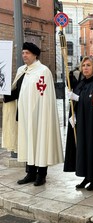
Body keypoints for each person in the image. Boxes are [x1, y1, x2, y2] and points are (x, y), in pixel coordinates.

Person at [2, 42, 63, 186]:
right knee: (27, 143)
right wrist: (5, 94)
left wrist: (41, 114)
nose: (24, 56)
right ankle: (30, 173)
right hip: (24, 116)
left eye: (27, 53)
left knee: (40, 143)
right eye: (23, 53)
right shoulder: (22, 71)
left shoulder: (43, 71)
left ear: (35, 55)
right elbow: (17, 91)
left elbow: (45, 96)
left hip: (39, 116)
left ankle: (41, 175)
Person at [64, 56, 93, 191]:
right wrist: (73, 115)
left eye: (88, 65)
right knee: (82, 149)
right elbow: (75, 104)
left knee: (92, 150)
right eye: (83, 66)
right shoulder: (82, 83)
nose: (85, 68)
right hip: (82, 123)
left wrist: (79, 98)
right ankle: (87, 176)